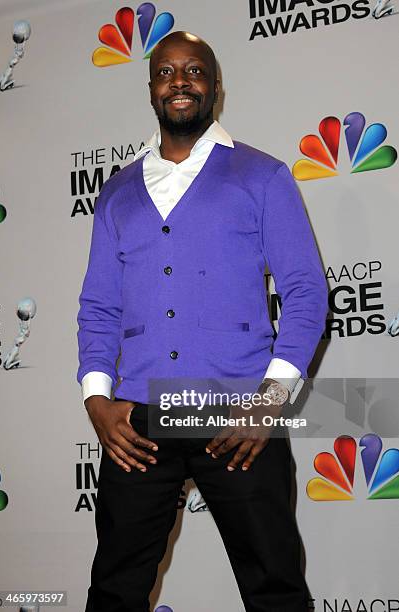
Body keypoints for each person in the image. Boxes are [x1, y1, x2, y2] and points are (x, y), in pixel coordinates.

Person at [77, 30, 329, 612]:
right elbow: (98, 306)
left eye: (194, 70)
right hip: (139, 419)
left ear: (215, 86)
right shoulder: (117, 192)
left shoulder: (263, 175)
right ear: (151, 89)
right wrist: (96, 398)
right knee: (114, 589)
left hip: (236, 409)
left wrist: (271, 400)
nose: (180, 80)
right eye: (166, 72)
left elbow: (305, 292)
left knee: (275, 588)